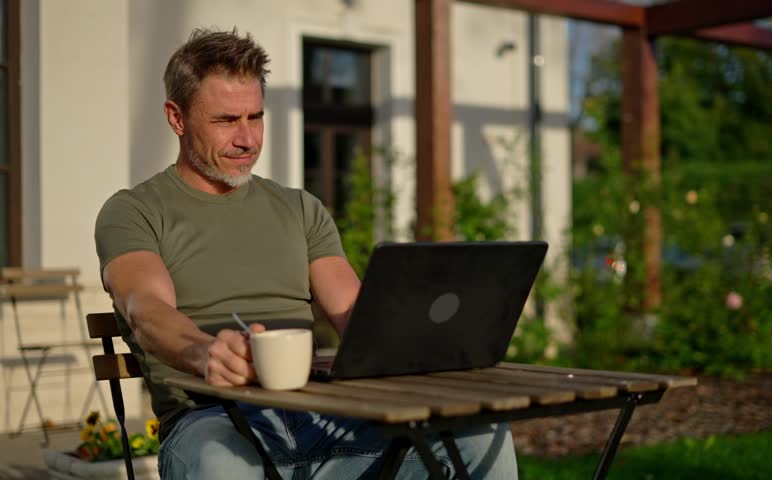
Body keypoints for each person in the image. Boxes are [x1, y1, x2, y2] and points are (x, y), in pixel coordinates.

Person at [94, 27, 517, 479]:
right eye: (225, 121)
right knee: (222, 466)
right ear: (176, 118)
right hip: (212, 421)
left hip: (320, 416)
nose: (248, 139)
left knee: (480, 434)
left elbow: (356, 314)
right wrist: (204, 352)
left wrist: (426, 335)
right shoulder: (134, 211)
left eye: (255, 117)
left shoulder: (299, 208)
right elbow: (145, 308)